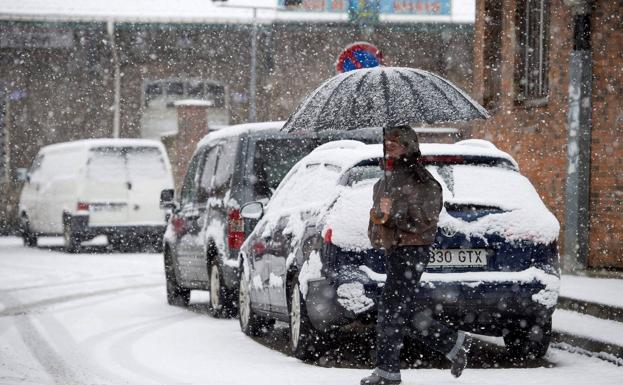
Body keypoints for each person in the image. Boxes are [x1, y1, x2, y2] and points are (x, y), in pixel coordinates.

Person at [360, 126, 471, 385]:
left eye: (395, 144)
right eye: (386, 143)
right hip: (393, 251)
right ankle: (454, 343)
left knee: (391, 310)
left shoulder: (422, 180)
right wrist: (379, 215)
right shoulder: (384, 182)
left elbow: (425, 219)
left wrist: (392, 211)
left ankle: (388, 372)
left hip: (412, 251)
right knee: (398, 310)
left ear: (408, 146)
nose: (389, 147)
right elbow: (377, 226)